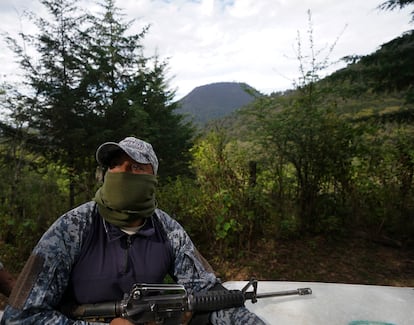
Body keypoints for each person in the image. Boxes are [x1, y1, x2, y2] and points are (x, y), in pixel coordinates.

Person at [1, 137, 265, 325]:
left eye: (136, 167)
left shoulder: (168, 229)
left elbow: (209, 296)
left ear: (152, 181)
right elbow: (21, 316)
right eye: (116, 165)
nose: (123, 172)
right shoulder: (71, 228)